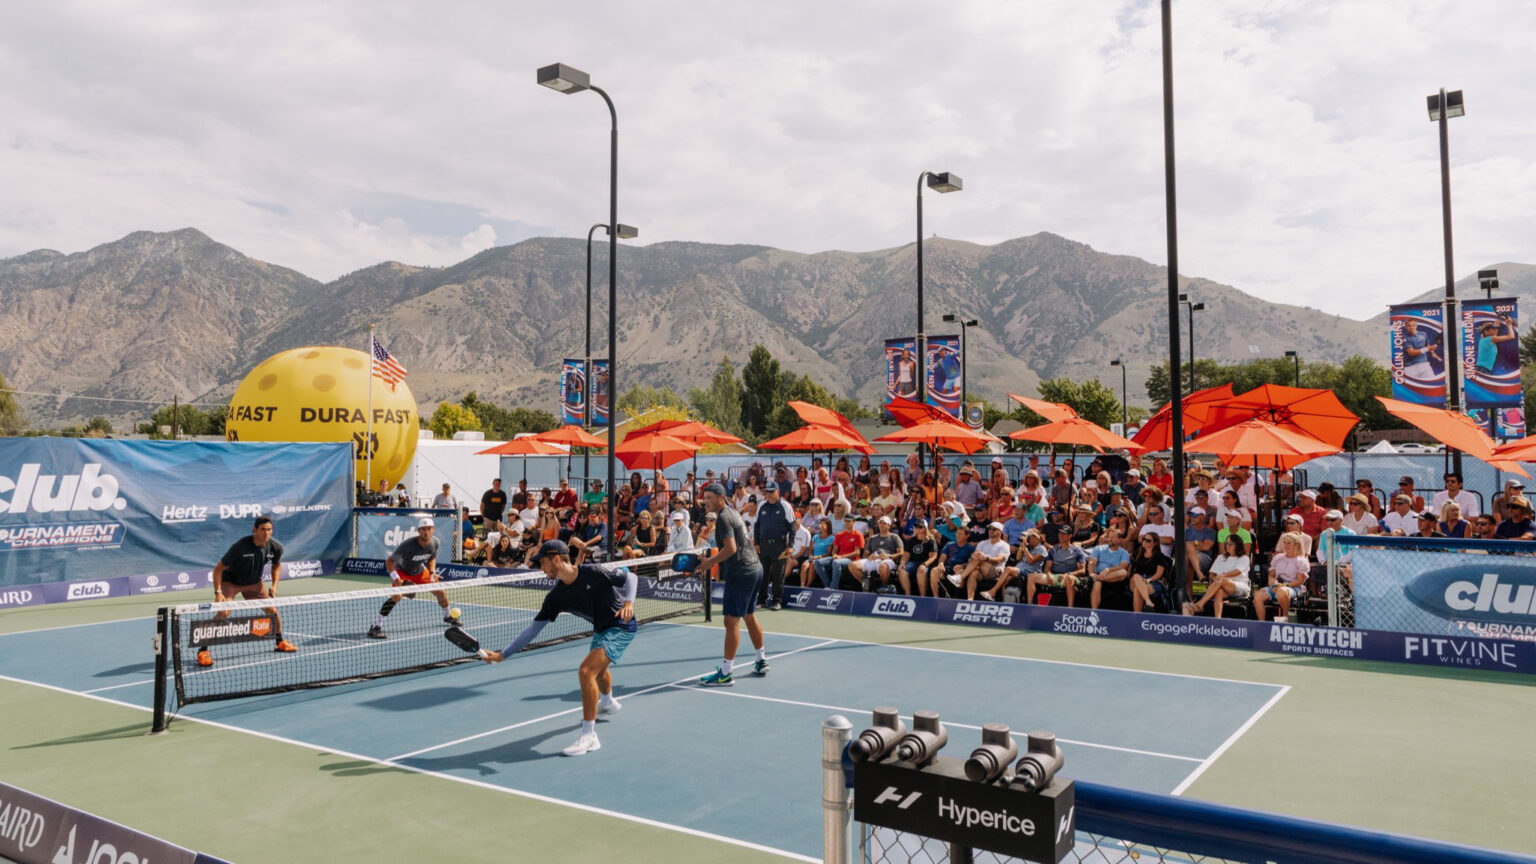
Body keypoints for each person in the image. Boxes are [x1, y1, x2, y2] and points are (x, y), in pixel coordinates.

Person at [481, 540, 637, 757]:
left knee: (586, 671)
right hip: (601, 628)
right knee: (599, 672)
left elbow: (631, 577)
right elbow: (532, 631)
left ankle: (589, 736)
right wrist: (502, 655)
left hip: (621, 624)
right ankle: (608, 702)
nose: (541, 568)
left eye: (543, 563)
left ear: (555, 559)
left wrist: (629, 603)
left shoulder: (593, 572)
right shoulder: (556, 597)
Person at [195, 516, 295, 666]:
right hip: (231, 582)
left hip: (254, 583)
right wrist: (218, 592)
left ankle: (280, 642)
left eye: (269, 530)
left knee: (272, 611)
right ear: (254, 530)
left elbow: (277, 565)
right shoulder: (240, 547)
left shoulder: (275, 547)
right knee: (224, 612)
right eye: (263, 530)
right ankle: (203, 650)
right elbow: (217, 570)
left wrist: (274, 585)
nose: (266, 533)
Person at [695, 484, 768, 686]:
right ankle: (761, 659)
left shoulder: (723, 518)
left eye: (710, 497)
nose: (706, 501)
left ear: (721, 498)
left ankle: (726, 673)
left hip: (741, 573)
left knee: (730, 621)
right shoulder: (733, 513)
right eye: (704, 497)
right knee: (749, 615)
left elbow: (731, 549)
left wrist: (710, 562)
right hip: (755, 569)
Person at [369, 518, 456, 638]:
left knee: (440, 591)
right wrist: (397, 579)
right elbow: (389, 561)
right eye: (423, 529)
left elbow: (431, 558)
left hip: (419, 570)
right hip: (402, 571)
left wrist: (432, 572)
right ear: (419, 531)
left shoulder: (435, 542)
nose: (426, 532)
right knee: (397, 596)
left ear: (433, 529)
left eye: (429, 529)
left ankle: (448, 616)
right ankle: (376, 627)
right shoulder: (407, 545)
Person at [1184, 536, 1251, 618]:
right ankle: (1217, 619)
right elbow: (1211, 574)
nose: (1227, 546)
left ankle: (1200, 604)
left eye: (1230, 544)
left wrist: (1223, 575)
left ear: (1237, 545)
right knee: (1219, 591)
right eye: (1226, 544)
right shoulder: (1220, 557)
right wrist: (1214, 578)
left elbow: (1237, 572)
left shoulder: (1244, 558)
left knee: (1221, 580)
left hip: (1241, 587)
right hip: (1221, 585)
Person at [754, 481, 796, 609]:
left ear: (778, 492)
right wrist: (756, 543)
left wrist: (790, 545)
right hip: (763, 544)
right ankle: (761, 600)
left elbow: (792, 528)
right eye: (767, 492)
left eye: (772, 492)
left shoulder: (785, 506)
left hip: (779, 545)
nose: (769, 494)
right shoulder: (762, 505)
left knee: (778, 574)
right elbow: (756, 525)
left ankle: (777, 601)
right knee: (763, 573)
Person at [1255, 532, 1309, 622]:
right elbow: (1271, 574)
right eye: (1284, 543)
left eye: (1289, 543)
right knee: (1258, 595)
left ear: (1296, 545)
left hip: (1294, 587)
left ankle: (1284, 619)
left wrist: (1283, 585)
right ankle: (1262, 623)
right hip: (1277, 585)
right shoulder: (1278, 558)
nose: (1286, 545)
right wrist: (1272, 582)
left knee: (1281, 591)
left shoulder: (1301, 560)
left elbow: (1300, 581)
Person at [1030, 530, 1086, 606]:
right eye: (1060, 533)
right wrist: (1048, 574)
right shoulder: (1053, 550)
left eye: (1064, 534)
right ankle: (1029, 605)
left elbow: (1082, 570)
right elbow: (1047, 567)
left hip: (1070, 577)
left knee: (1069, 578)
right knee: (1031, 576)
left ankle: (1070, 608)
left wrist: (1067, 574)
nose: (1060, 535)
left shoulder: (1077, 551)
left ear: (1070, 536)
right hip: (1055, 576)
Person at [856, 517, 907, 593]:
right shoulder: (872, 538)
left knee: (883, 566)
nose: (882, 525)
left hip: (888, 560)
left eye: (884, 523)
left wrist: (888, 556)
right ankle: (869, 586)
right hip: (873, 560)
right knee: (853, 566)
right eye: (880, 523)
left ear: (889, 526)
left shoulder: (894, 537)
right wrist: (869, 556)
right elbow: (865, 555)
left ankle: (884, 586)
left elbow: (901, 553)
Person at [1086, 529, 1132, 610]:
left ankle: (1098, 578)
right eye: (1109, 537)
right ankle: (1094, 611)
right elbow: (1092, 562)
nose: (1109, 539)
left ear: (1120, 540)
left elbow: (1123, 566)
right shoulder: (1098, 549)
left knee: (1123, 572)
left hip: (1113, 577)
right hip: (1098, 574)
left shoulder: (1124, 553)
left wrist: (1108, 570)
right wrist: (1091, 573)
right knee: (1097, 583)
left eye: (1112, 537)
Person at [965, 522, 1012, 601]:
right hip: (981, 569)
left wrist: (986, 558)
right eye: (989, 529)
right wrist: (973, 556)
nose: (991, 531)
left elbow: (999, 560)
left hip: (996, 570)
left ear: (1000, 531)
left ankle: (961, 577)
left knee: (979, 560)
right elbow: (975, 555)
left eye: (994, 529)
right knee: (973, 573)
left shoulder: (1005, 545)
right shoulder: (982, 543)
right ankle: (970, 599)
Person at [1129, 533, 1170, 614]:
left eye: (1148, 540)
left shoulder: (1159, 556)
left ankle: (1137, 616)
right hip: (1136, 580)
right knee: (1136, 576)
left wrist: (1148, 580)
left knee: (1138, 589)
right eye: (1144, 539)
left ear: (1155, 543)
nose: (1144, 541)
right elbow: (1129, 564)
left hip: (1152, 581)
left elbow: (1159, 574)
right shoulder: (1138, 553)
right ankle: (1148, 601)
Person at [903, 520, 939, 597]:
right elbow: (905, 555)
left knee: (921, 570)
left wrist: (924, 564)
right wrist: (902, 563)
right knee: (901, 570)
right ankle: (907, 595)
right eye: (916, 526)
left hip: (926, 562)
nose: (917, 528)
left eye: (920, 527)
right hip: (913, 562)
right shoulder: (910, 540)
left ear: (925, 528)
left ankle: (922, 596)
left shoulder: (931, 540)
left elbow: (933, 556)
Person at [802, 518, 837, 587]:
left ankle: (807, 585)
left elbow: (828, 553)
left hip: (822, 558)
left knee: (812, 565)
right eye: (821, 523)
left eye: (824, 524)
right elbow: (811, 549)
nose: (821, 525)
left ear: (828, 526)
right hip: (812, 557)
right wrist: (810, 555)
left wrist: (818, 557)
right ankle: (802, 585)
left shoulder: (831, 538)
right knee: (804, 565)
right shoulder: (815, 537)